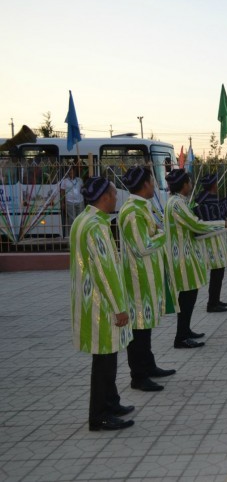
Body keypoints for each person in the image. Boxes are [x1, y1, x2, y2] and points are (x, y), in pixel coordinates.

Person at [70, 176, 135, 431]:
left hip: (89, 301)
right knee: (104, 362)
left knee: (107, 357)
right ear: (104, 197)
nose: (116, 197)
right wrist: (119, 307)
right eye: (113, 193)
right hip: (101, 305)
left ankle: (111, 402)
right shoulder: (96, 227)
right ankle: (99, 415)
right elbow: (104, 270)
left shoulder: (82, 220)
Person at [119, 166, 176, 393]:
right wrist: (163, 234)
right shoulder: (133, 211)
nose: (154, 185)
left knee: (146, 326)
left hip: (147, 276)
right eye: (152, 181)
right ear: (144, 184)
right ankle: (138, 375)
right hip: (138, 278)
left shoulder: (142, 206)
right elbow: (143, 247)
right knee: (139, 329)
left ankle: (149, 366)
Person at [164, 169, 227, 349]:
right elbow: (196, 224)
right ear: (183, 184)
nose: (191, 185)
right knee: (186, 297)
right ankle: (181, 337)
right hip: (182, 257)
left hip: (187, 254)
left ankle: (185, 330)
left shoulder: (177, 202)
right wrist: (223, 224)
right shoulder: (177, 204)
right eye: (189, 182)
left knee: (190, 295)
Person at [194, 174, 227, 313]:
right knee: (217, 272)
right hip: (212, 240)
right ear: (213, 185)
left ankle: (215, 300)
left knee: (218, 272)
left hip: (216, 238)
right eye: (216, 183)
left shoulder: (203, 198)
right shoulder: (209, 200)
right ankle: (212, 303)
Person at [60, 165, 83, 236]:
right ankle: (72, 233)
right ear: (68, 173)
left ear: (75, 172)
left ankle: (80, 232)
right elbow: (62, 192)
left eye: (72, 172)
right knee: (72, 219)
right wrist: (63, 203)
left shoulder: (79, 180)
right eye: (70, 172)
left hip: (80, 201)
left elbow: (82, 189)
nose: (71, 173)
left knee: (81, 217)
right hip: (70, 202)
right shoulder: (64, 181)